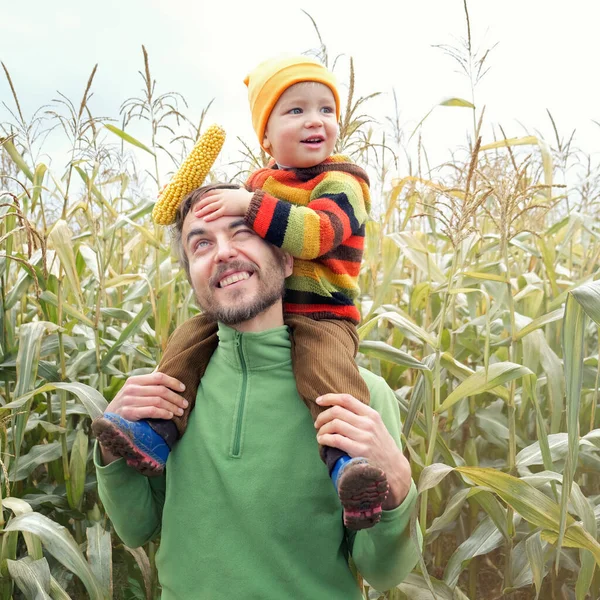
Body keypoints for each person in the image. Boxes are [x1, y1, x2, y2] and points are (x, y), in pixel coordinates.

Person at [93, 55, 386, 530]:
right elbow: (135, 531)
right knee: (190, 336)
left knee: (324, 372)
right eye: (295, 111)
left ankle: (349, 467)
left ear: (281, 256)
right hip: (281, 309)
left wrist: (248, 205)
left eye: (326, 110)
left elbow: (315, 235)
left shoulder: (343, 181)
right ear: (266, 139)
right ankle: (155, 431)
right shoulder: (262, 183)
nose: (315, 120)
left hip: (322, 316)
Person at [94, 189, 420, 599]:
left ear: (286, 259)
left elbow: (384, 572)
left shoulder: (357, 396)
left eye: (242, 232)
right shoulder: (172, 391)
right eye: (201, 244)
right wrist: (112, 455)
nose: (222, 253)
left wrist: (399, 482)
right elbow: (138, 528)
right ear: (192, 276)